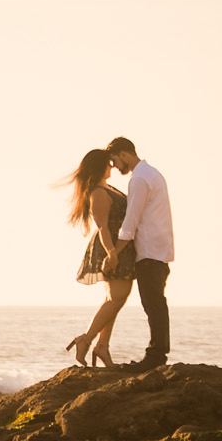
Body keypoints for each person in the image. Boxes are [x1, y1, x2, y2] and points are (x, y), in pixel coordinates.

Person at [62, 148, 134, 367]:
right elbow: (102, 227)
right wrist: (112, 254)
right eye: (108, 163)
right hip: (110, 247)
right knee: (117, 297)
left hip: (119, 247)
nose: (112, 166)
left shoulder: (106, 188)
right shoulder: (98, 193)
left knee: (114, 299)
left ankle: (102, 346)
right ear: (99, 166)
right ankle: (86, 339)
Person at [107, 136, 174, 369]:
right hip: (159, 249)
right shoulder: (152, 174)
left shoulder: (140, 180)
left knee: (153, 304)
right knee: (156, 303)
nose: (115, 167)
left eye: (115, 161)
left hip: (149, 251)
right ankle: (158, 354)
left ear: (124, 154)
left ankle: (156, 356)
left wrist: (113, 253)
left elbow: (130, 222)